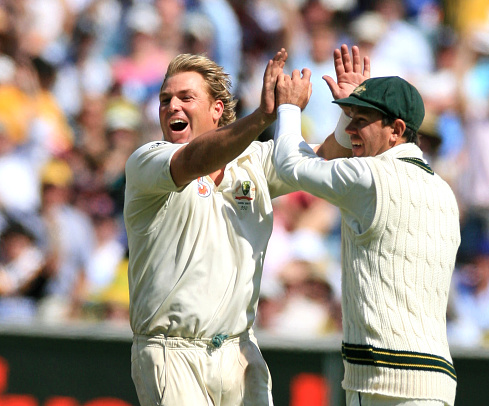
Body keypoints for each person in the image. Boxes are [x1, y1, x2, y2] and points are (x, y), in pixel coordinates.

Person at [123, 45, 354, 406]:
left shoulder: (255, 161)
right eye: (165, 99)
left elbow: (324, 159)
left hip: (240, 351)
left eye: (186, 97)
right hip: (172, 354)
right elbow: (197, 158)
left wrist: (349, 114)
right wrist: (264, 116)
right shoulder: (148, 161)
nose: (172, 107)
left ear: (217, 110)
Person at [273, 72, 461, 405]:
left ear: (397, 130)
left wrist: (288, 108)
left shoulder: (370, 176)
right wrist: (354, 108)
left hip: (382, 382)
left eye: (361, 120)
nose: (349, 129)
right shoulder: (444, 191)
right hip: (436, 382)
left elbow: (290, 165)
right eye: (350, 118)